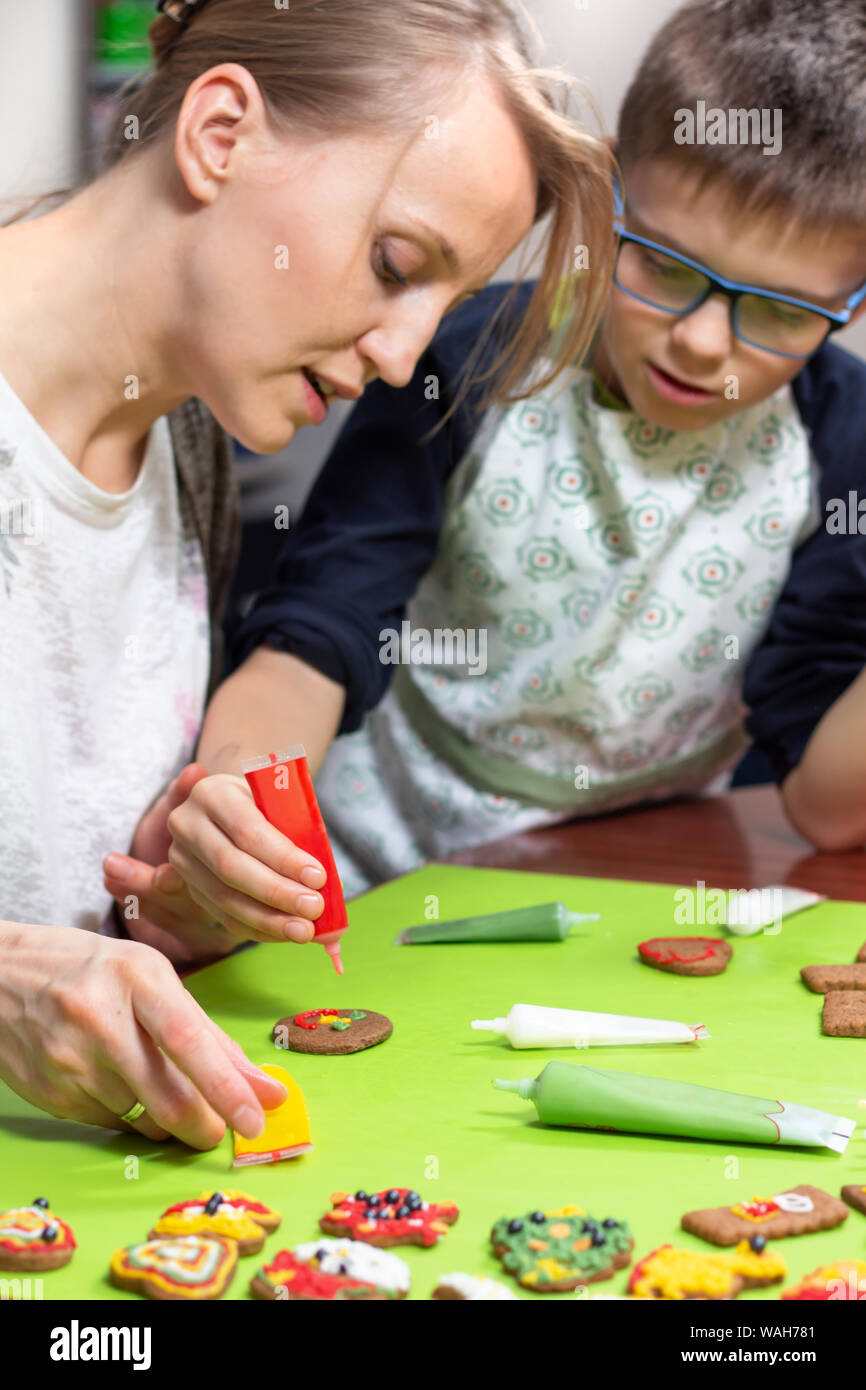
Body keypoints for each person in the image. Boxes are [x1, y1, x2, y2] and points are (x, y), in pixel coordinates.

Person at [0, 0, 615, 1142]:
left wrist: (178, 904)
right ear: (220, 132)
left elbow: (67, 907)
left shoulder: (185, 439)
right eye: (393, 263)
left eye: (436, 301)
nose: (395, 358)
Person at [121, 0, 866, 918]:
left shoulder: (843, 445)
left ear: (852, 305)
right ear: (607, 196)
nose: (706, 344)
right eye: (666, 268)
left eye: (784, 312)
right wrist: (242, 800)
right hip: (370, 867)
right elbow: (317, 635)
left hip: (635, 887)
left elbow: (826, 805)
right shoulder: (459, 361)